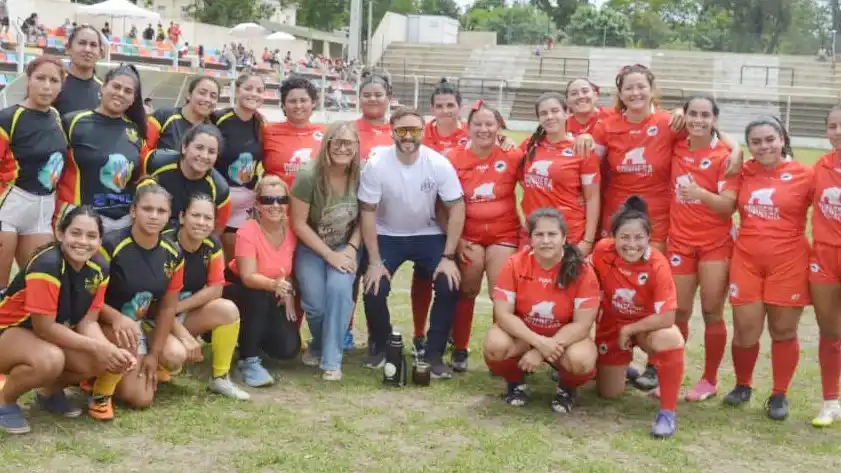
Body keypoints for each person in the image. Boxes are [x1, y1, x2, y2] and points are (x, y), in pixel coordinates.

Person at [0, 207, 135, 434]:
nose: (83, 241)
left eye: (91, 236)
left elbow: (88, 322)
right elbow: (45, 327)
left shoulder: (99, 267)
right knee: (51, 359)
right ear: (60, 234)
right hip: (9, 331)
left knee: (100, 359)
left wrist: (108, 351)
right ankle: (5, 401)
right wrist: (99, 347)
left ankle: (49, 394)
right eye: (76, 233)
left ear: (100, 240)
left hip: (41, 334)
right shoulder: (47, 265)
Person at [359, 107, 465, 379]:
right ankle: (382, 346)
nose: (408, 136)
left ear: (423, 131)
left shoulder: (438, 163)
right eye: (402, 130)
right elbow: (368, 212)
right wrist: (372, 261)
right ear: (392, 131)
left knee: (448, 282)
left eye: (414, 130)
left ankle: (433, 353)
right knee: (373, 286)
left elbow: (457, 208)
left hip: (427, 233)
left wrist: (449, 256)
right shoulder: (376, 164)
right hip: (387, 234)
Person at [724, 117, 813, 421]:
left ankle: (779, 394)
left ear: (783, 138)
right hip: (747, 260)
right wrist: (735, 149)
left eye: (770, 139)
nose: (764, 147)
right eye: (756, 142)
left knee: (783, 331)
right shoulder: (744, 170)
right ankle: (742, 384)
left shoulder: (805, 175)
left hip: (789, 262)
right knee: (745, 330)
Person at [484, 208, 599, 412]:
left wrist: (542, 349)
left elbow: (582, 325)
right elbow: (503, 314)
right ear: (530, 239)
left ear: (564, 238)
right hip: (524, 336)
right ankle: (516, 382)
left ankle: (567, 388)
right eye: (539, 234)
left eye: (552, 234)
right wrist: (536, 342)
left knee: (581, 360)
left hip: (564, 338)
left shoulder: (582, 269)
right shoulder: (514, 264)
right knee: (495, 344)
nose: (546, 240)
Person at [87, 181, 185, 420]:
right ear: (133, 211)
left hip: (139, 326)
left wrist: (154, 354)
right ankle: (95, 378)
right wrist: (116, 317)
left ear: (169, 216)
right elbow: (88, 298)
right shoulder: (109, 245)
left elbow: (168, 306)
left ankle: (141, 363)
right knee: (138, 396)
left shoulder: (173, 252)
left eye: (161, 211)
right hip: (103, 322)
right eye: (147, 209)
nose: (154, 216)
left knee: (174, 356)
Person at [590, 196, 685, 438]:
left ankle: (667, 413)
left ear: (648, 238)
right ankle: (622, 369)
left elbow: (667, 317)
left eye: (638, 238)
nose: (631, 244)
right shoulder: (602, 251)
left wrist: (630, 329)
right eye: (624, 237)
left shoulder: (658, 265)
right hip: (611, 324)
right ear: (614, 237)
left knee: (671, 339)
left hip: (645, 327)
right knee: (608, 393)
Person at [667, 95, 737, 402]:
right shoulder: (677, 143)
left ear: (714, 119)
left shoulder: (726, 155)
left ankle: (709, 379)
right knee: (678, 311)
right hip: (680, 242)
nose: (698, 120)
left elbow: (728, 206)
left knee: (711, 311)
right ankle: (672, 374)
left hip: (715, 244)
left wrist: (700, 194)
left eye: (705, 115)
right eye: (692, 114)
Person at [446, 101, 523, 372]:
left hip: (504, 233)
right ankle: (459, 348)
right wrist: (454, 239)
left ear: (499, 127)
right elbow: (442, 204)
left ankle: (499, 353)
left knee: (500, 293)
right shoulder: (453, 157)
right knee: (467, 288)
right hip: (469, 235)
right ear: (467, 128)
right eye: (478, 123)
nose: (484, 129)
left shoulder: (513, 156)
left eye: (490, 124)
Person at [290, 122, 362, 381]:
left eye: (349, 143)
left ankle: (332, 359)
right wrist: (329, 255)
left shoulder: (361, 174)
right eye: (337, 142)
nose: (343, 148)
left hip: (346, 244)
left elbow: (367, 218)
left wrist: (352, 249)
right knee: (316, 305)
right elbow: (298, 223)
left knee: (340, 291)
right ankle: (319, 344)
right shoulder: (309, 175)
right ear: (327, 144)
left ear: (356, 147)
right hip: (312, 245)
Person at [160, 194, 249, 399]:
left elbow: (216, 288)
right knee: (175, 358)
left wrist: (179, 308)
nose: (201, 222)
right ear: (182, 217)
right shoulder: (165, 245)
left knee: (228, 309)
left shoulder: (212, 245)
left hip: (179, 311)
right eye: (195, 215)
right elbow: (155, 305)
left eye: (207, 218)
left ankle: (220, 378)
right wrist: (182, 333)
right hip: (155, 318)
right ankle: (157, 362)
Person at [0, 56, 67, 290]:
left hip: (42, 211)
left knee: (35, 287)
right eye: (40, 78)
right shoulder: (8, 118)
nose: (47, 86)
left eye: (54, 80)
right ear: (28, 80)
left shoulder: (56, 117)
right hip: (9, 207)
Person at [225, 175, 299, 387]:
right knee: (256, 297)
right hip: (240, 287)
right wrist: (276, 286)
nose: (275, 205)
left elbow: (290, 268)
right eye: (268, 200)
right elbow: (248, 277)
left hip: (273, 289)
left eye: (281, 200)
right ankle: (248, 360)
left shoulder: (292, 230)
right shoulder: (247, 230)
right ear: (257, 204)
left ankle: (249, 338)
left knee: (287, 349)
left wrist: (289, 292)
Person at [56, 64, 147, 234]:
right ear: (103, 87)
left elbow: (140, 177)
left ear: (133, 98)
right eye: (116, 86)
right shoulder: (72, 122)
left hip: (123, 222)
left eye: (128, 91)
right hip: (81, 219)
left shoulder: (136, 131)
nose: (120, 93)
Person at [520, 92, 600, 254]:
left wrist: (587, 240)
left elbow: (592, 197)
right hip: (535, 232)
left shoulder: (581, 148)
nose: (549, 117)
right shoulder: (528, 145)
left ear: (567, 113)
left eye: (555, 111)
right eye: (543, 113)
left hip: (570, 232)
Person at [212, 73, 265, 259]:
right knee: (210, 253)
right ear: (236, 90)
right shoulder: (218, 118)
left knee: (234, 260)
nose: (254, 94)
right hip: (218, 197)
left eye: (259, 90)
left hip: (245, 202)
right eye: (248, 88)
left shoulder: (260, 124)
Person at [811, 104, 841, 427]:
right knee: (830, 332)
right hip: (824, 257)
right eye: (833, 126)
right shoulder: (819, 167)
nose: (839, 132)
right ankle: (831, 402)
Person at [142, 124, 231, 231]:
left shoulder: (220, 189)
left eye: (211, 152)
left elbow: (217, 229)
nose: (204, 156)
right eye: (199, 148)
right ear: (184, 147)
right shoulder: (155, 161)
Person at [263, 76, 324, 189]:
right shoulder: (267, 132)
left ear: (313, 103)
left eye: (303, 100)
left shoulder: (326, 134)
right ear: (284, 105)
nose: (298, 106)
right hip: (277, 203)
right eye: (292, 101)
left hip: (313, 204)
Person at [147, 76, 220, 151]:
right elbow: (144, 150)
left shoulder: (213, 131)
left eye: (213, 96)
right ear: (189, 95)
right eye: (202, 93)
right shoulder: (163, 116)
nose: (207, 99)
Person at [53, 25, 104, 117]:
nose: (87, 49)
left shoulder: (104, 90)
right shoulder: (53, 84)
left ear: (100, 53)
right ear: (68, 48)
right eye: (82, 43)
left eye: (93, 45)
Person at [356, 72, 394, 161]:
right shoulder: (348, 131)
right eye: (366, 95)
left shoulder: (399, 133)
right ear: (359, 99)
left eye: (378, 95)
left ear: (389, 98)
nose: (372, 99)